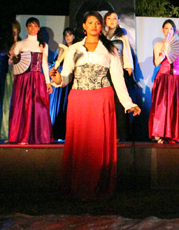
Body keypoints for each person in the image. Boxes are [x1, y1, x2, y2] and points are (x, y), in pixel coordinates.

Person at [50, 11, 140, 200]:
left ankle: (99, 186)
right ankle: (77, 186)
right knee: (80, 144)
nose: (94, 26)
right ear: (84, 26)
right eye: (90, 22)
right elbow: (66, 76)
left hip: (101, 99)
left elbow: (118, 79)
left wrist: (128, 103)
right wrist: (59, 79)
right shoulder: (73, 49)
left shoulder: (110, 50)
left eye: (97, 23)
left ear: (102, 27)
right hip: (78, 99)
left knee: (97, 143)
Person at [9, 17, 53, 144]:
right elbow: (12, 62)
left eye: (35, 26)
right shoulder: (20, 44)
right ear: (27, 28)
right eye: (30, 26)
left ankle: (39, 136)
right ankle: (22, 136)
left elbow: (44, 64)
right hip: (22, 79)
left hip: (37, 79)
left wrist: (48, 82)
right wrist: (12, 58)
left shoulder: (43, 45)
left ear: (38, 28)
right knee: (22, 107)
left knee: (39, 107)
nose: (33, 29)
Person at [149, 19, 179, 144]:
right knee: (162, 107)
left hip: (177, 78)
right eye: (166, 28)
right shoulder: (158, 45)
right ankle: (161, 134)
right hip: (163, 78)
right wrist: (163, 53)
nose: (169, 31)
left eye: (171, 29)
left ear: (174, 31)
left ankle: (174, 134)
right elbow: (156, 63)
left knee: (176, 107)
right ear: (163, 30)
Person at [104, 11, 135, 141]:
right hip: (104, 72)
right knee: (106, 102)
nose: (112, 21)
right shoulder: (101, 36)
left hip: (119, 71)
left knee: (119, 103)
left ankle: (120, 134)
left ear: (118, 21)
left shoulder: (122, 36)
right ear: (105, 21)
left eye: (115, 19)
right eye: (109, 18)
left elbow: (126, 52)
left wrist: (129, 68)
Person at [49, 28, 74, 140]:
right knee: (59, 107)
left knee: (69, 107)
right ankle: (58, 133)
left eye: (70, 35)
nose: (68, 37)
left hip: (70, 81)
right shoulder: (60, 50)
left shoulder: (76, 49)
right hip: (60, 82)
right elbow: (54, 63)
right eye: (66, 35)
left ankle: (70, 133)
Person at [0, 20, 20, 142]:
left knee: (18, 104)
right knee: (7, 103)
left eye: (15, 29)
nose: (13, 32)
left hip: (19, 76)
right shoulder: (6, 44)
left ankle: (16, 132)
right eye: (11, 30)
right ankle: (6, 132)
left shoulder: (22, 43)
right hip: (9, 76)